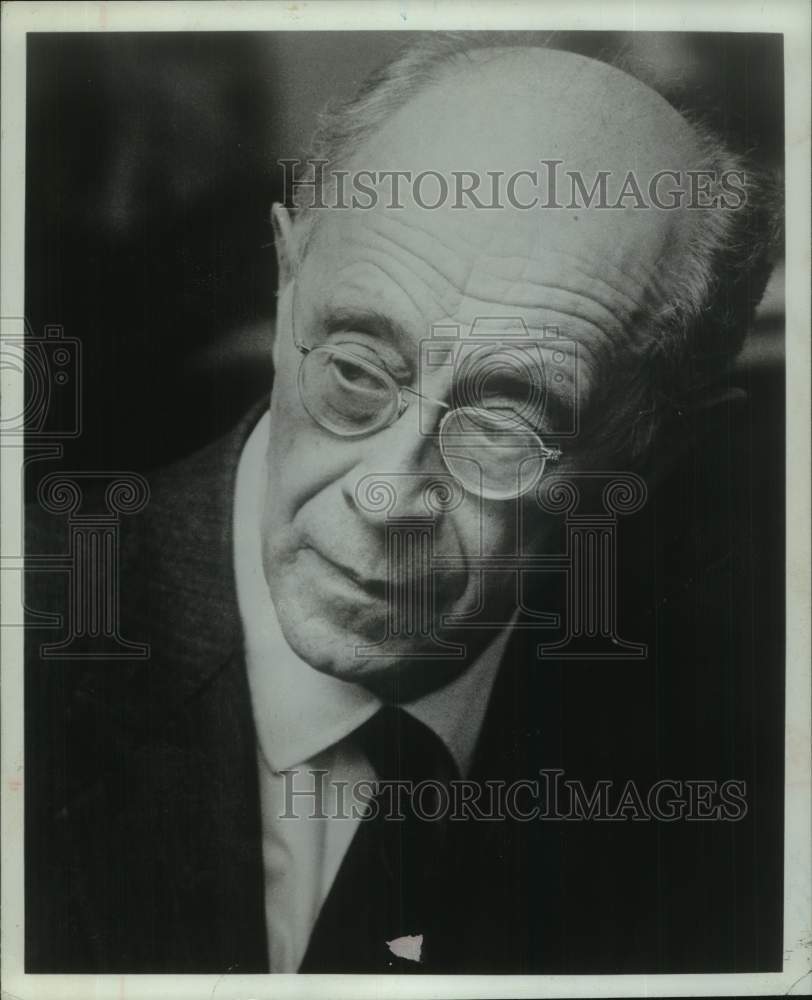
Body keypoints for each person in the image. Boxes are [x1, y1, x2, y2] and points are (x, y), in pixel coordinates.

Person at [25, 35, 781, 975]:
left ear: (660, 448)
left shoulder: (745, 782)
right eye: (354, 370)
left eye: (506, 427)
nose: (389, 497)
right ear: (285, 278)